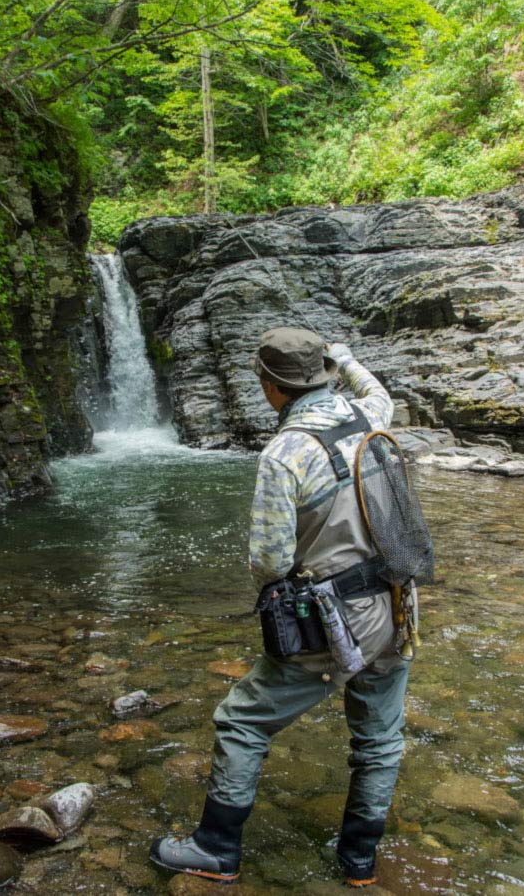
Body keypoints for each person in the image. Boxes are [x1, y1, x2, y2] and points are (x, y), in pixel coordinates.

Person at [150, 327, 411, 888]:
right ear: (323, 373)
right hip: (397, 604)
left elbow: (269, 560)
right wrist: (344, 357)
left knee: (242, 720)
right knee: (380, 738)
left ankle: (216, 848)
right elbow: (374, 386)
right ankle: (359, 860)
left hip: (335, 620)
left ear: (272, 388)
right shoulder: (373, 413)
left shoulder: (285, 453)